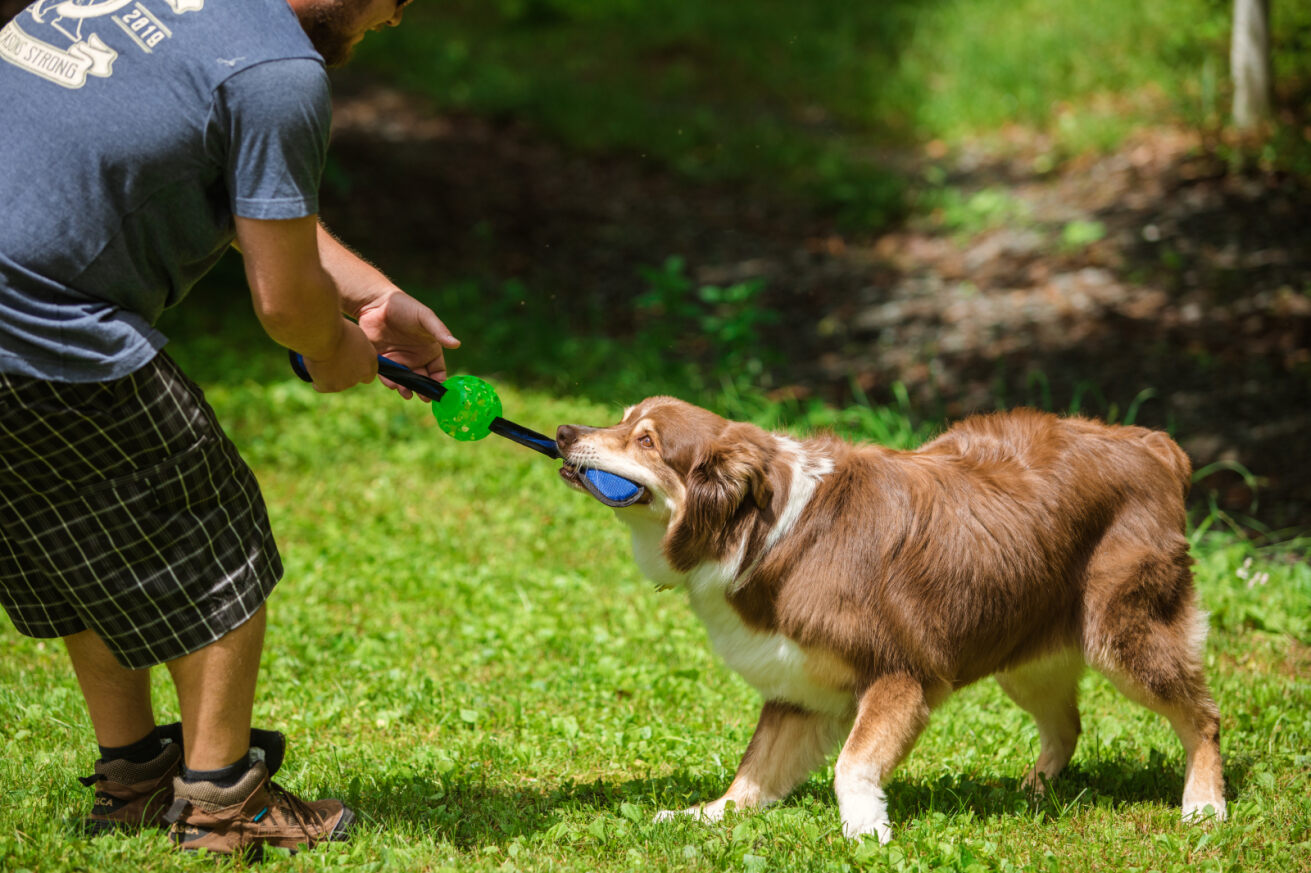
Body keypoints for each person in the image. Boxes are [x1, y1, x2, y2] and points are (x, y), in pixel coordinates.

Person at [0, 0, 457, 856]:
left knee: (81, 541)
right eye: (396, 1)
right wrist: (332, 351)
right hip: (33, 319)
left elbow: (258, 205)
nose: (394, 20)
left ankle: (132, 778)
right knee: (218, 547)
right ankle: (221, 802)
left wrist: (369, 296)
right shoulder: (276, 69)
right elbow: (286, 307)